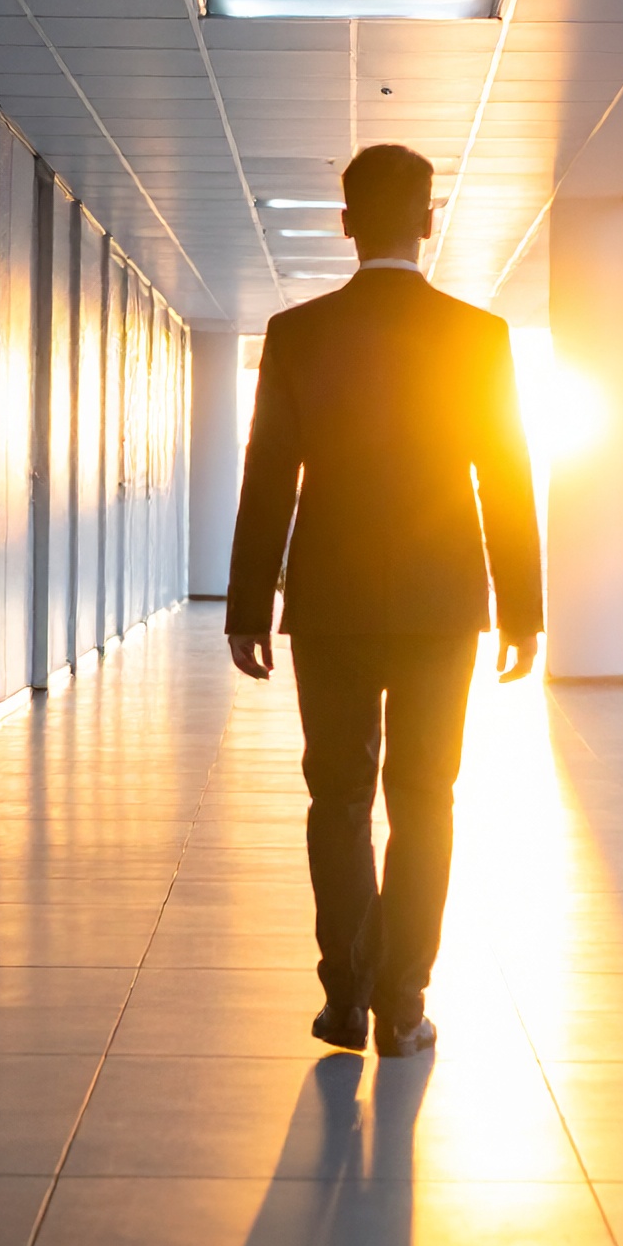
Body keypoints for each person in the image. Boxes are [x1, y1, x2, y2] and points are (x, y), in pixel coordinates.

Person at [224, 142, 542, 1059]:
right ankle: (404, 1004)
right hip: (442, 606)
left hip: (330, 602)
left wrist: (247, 607)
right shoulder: (478, 336)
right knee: (426, 797)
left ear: (347, 223)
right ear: (429, 221)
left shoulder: (298, 333)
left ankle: (345, 1000)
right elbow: (506, 479)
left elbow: (268, 478)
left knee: (337, 797)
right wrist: (523, 609)